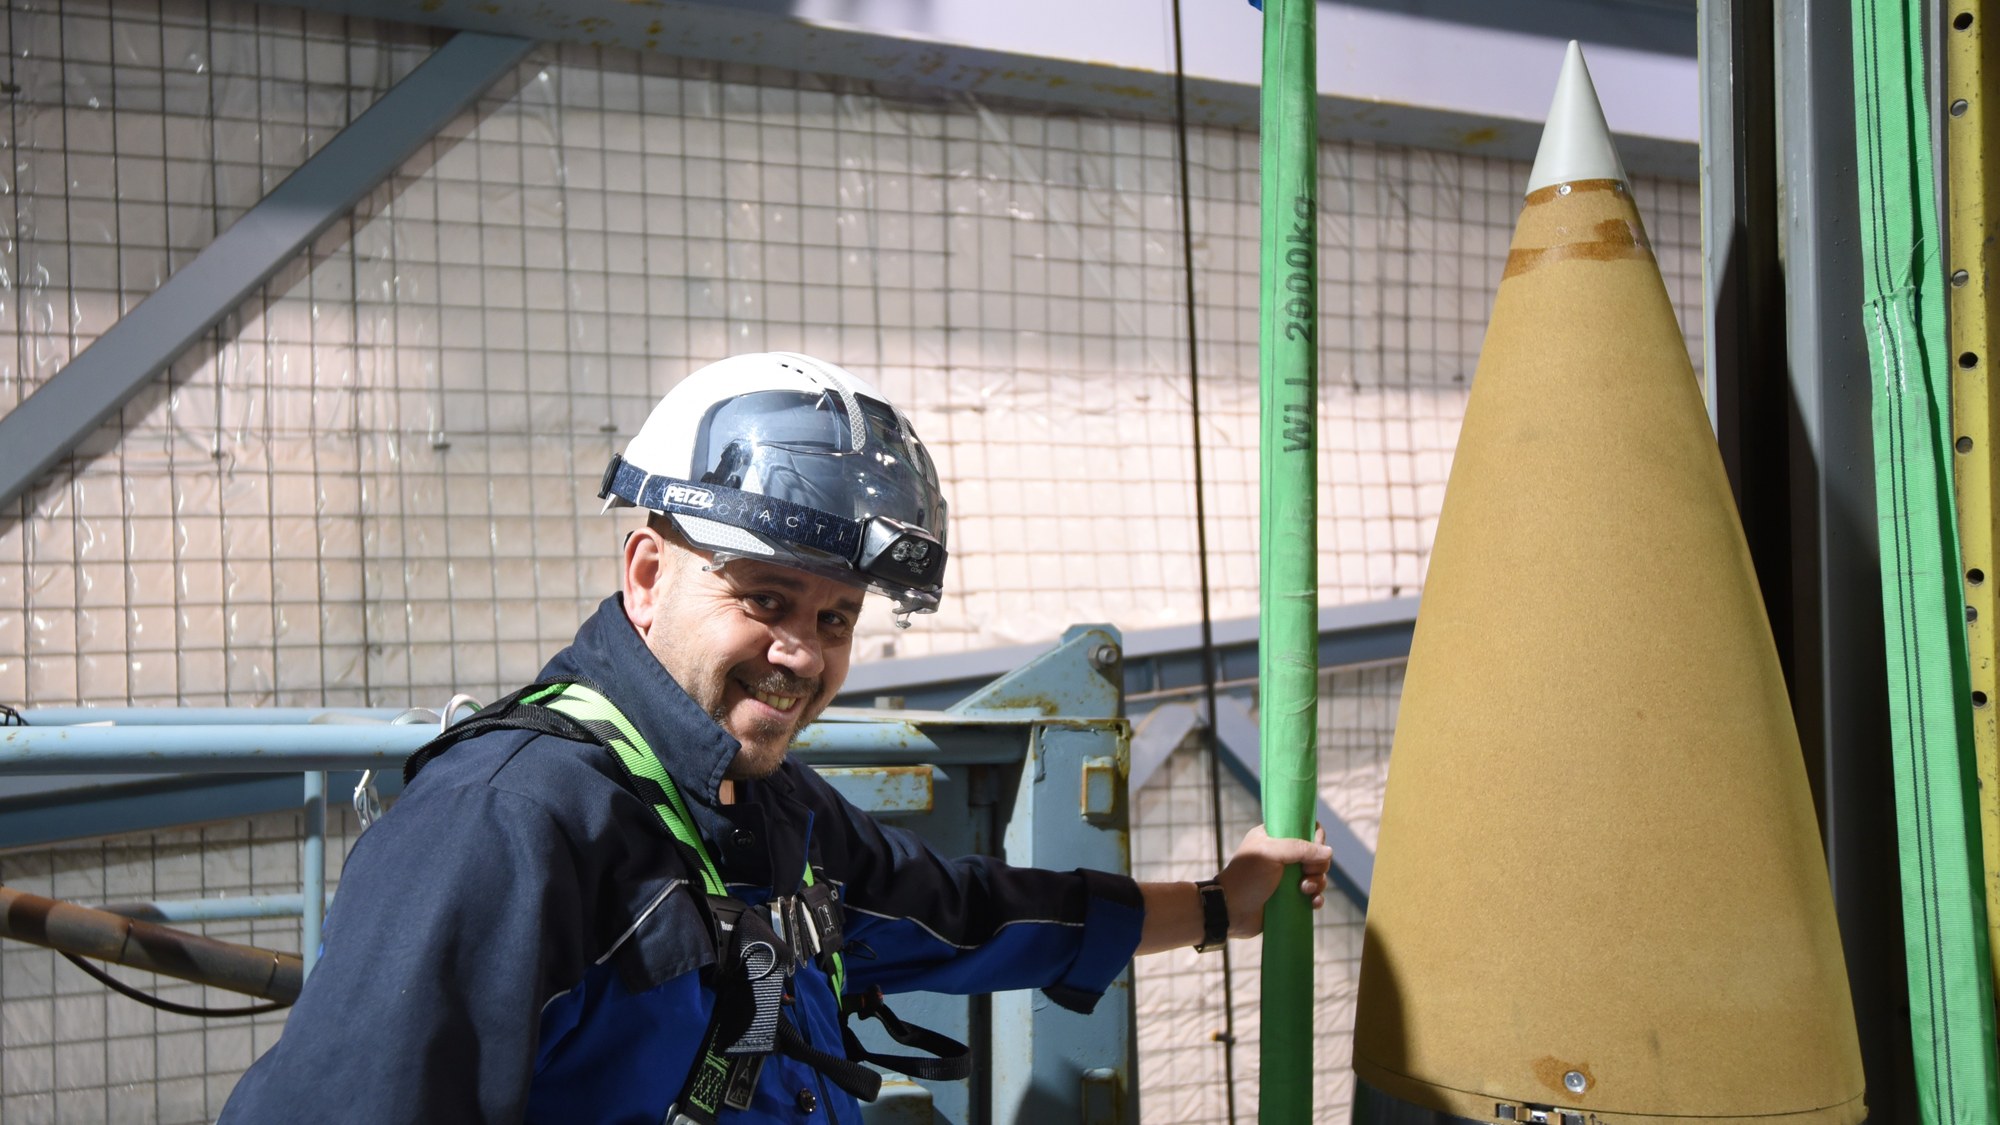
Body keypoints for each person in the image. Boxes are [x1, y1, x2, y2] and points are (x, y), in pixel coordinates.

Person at [220, 352, 1332, 1124]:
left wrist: (1215, 909)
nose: (802, 652)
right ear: (647, 575)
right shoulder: (508, 820)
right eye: (764, 598)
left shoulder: (767, 810)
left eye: (834, 616)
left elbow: (960, 914)